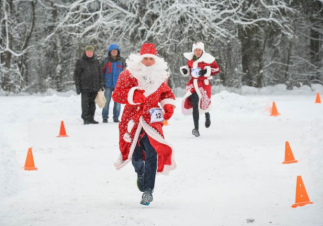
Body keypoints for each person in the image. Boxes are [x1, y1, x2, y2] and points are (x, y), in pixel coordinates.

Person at [112, 43, 176, 206]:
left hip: (152, 119)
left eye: (151, 59)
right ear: (140, 59)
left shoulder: (161, 76)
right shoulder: (128, 75)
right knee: (136, 154)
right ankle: (140, 172)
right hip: (132, 119)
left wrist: (167, 104)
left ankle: (148, 190)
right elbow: (117, 95)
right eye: (145, 59)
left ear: (155, 60)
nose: (148, 62)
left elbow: (166, 92)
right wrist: (133, 95)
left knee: (153, 152)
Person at [180, 42, 220, 137]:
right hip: (193, 84)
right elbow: (190, 69)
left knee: (204, 103)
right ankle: (196, 129)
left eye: (199, 50)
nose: (197, 52)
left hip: (203, 84)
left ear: (202, 50)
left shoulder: (208, 59)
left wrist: (206, 71)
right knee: (195, 104)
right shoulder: (191, 59)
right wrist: (186, 70)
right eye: (196, 50)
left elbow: (217, 69)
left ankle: (207, 115)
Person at [74, 45, 104, 125]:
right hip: (84, 87)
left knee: (92, 103)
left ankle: (91, 118)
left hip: (95, 86)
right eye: (88, 51)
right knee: (85, 104)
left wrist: (101, 84)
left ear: (93, 52)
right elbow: (76, 75)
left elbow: (99, 74)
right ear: (85, 52)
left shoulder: (96, 62)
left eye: (91, 51)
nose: (89, 53)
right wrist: (77, 86)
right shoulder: (80, 62)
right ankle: (85, 118)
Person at [101, 44, 126, 123]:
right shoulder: (106, 61)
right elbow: (102, 72)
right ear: (110, 52)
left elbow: (125, 73)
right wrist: (102, 83)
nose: (114, 52)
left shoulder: (122, 61)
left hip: (118, 85)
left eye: (115, 50)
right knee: (106, 102)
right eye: (112, 51)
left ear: (118, 52)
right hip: (107, 84)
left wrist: (124, 84)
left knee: (117, 103)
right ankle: (105, 117)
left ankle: (116, 117)